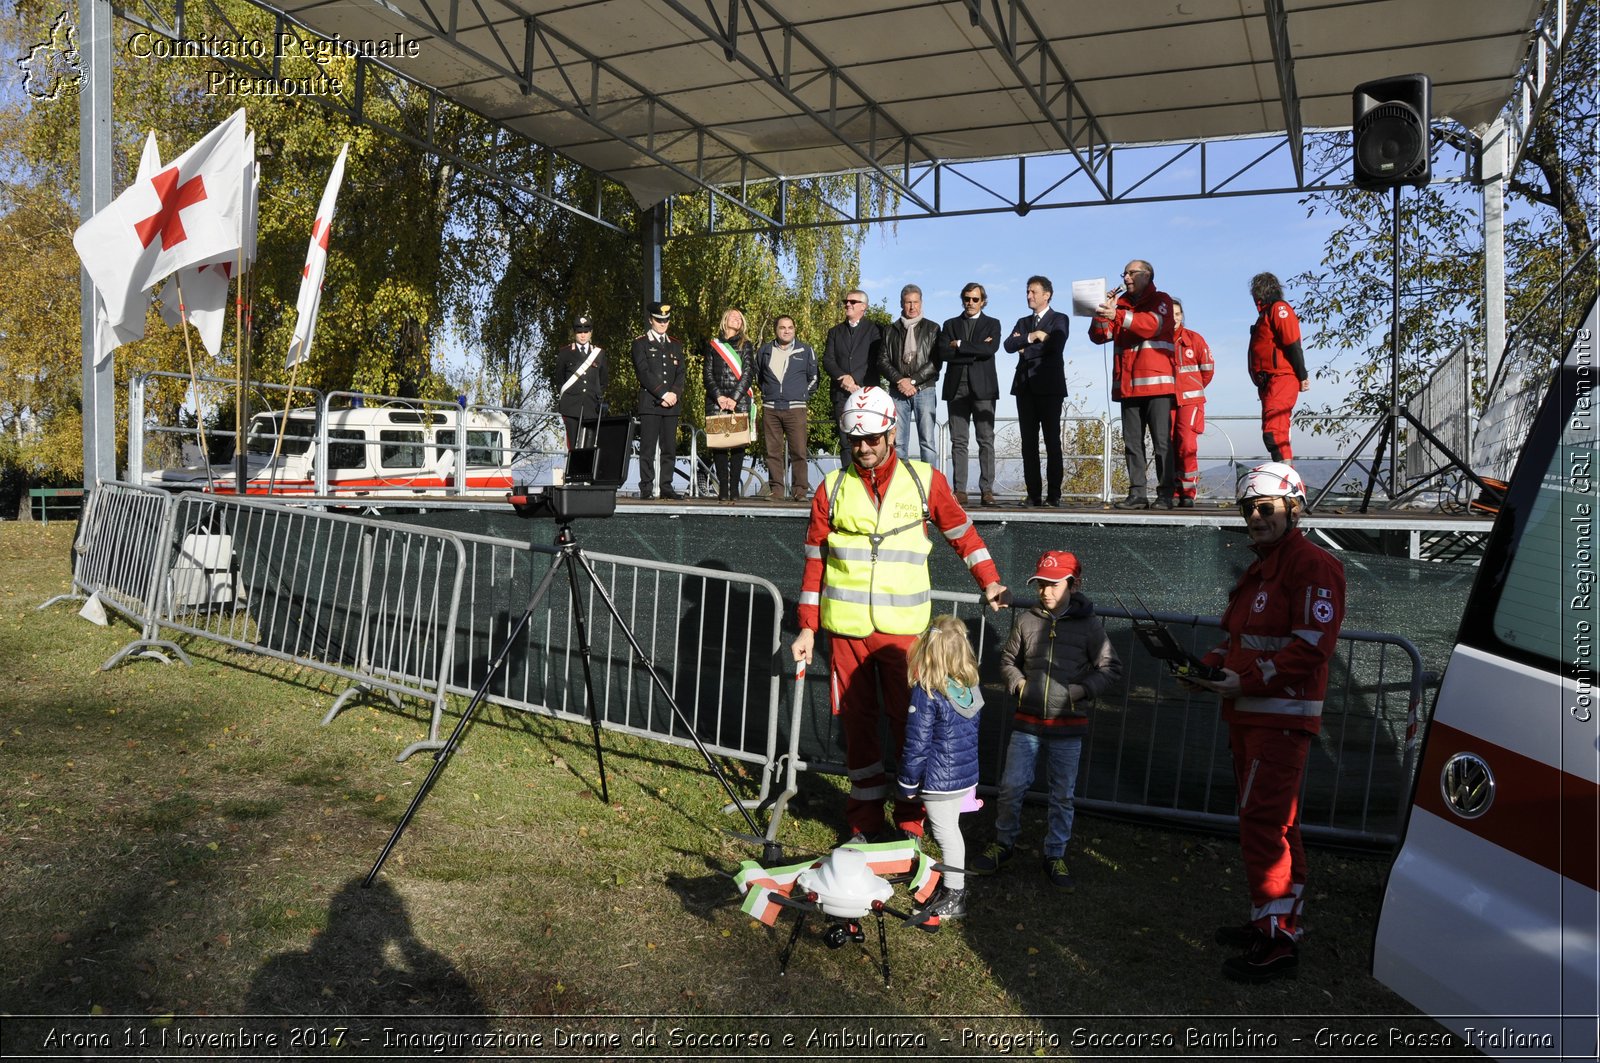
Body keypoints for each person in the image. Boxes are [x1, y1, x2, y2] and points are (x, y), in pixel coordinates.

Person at [791, 386, 1008, 843]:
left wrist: (988, 579)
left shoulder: (926, 480)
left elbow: (961, 532)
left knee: (913, 729)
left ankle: (910, 823)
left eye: (872, 438)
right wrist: (807, 629)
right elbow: (814, 561)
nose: (863, 448)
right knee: (858, 730)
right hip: (846, 636)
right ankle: (864, 825)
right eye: (855, 441)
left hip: (905, 638)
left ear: (892, 432)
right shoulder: (830, 488)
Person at [1186, 461, 1345, 984]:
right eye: (1248, 509)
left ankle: (1276, 939)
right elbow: (1238, 642)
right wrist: (1207, 668)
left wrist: (1247, 681)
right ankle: (1275, 923)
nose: (1255, 517)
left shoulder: (1311, 566)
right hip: (1250, 717)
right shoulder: (1261, 568)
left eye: (1265, 508)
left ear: (1293, 508)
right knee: (1277, 825)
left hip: (1279, 721)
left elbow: (1311, 648)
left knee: (1265, 828)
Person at [973, 550, 1121, 890]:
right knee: (1011, 788)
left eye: (1054, 584)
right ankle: (1003, 844)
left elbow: (1111, 668)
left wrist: (1079, 692)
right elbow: (1008, 661)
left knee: (1062, 795)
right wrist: (1020, 686)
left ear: (1073, 583)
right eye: (1041, 584)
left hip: (1068, 729)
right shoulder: (1026, 621)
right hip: (1026, 724)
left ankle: (1055, 854)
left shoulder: (1090, 627)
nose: (1046, 591)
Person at [895, 614, 984, 930]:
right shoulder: (969, 687)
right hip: (962, 776)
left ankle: (954, 895)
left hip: (938, 780)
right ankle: (953, 888)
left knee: (946, 834)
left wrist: (907, 782)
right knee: (952, 831)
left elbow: (916, 743)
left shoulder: (927, 692)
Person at [1091, 260, 1177, 509]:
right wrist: (1102, 312)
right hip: (1128, 387)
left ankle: (1165, 494)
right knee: (1132, 443)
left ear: (1147, 275)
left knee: (1162, 443)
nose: (1126, 277)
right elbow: (1099, 336)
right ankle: (1137, 494)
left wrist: (1117, 314)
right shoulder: (1120, 305)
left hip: (1157, 386)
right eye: (1124, 273)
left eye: (1131, 273)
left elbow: (1151, 326)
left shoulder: (1161, 300)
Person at [1003, 275, 1070, 507]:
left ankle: (1054, 495)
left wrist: (1025, 347)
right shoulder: (1023, 323)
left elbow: (1055, 346)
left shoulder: (1059, 319)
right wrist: (1033, 336)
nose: (1029, 296)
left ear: (1046, 294)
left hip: (1050, 389)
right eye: (1027, 292)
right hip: (1024, 389)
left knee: (1052, 442)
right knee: (1028, 444)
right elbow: (1008, 346)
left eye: (1033, 292)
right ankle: (1033, 495)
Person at [936, 283, 1002, 507]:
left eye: (975, 299)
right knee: (959, 441)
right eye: (967, 298)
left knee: (986, 440)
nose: (970, 303)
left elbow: (990, 350)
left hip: (983, 388)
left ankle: (987, 490)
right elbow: (944, 353)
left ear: (983, 301)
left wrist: (961, 345)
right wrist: (974, 350)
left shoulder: (993, 324)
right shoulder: (950, 324)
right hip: (957, 388)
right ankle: (960, 490)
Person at [753, 315, 819, 501]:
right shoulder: (765, 350)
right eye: (782, 327)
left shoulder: (805, 350)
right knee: (773, 452)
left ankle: (800, 492)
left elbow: (813, 377)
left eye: (790, 327)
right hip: (771, 408)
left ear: (794, 329)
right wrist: (768, 392)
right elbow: (759, 376)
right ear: (776, 330)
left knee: (799, 451)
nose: (787, 331)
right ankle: (777, 491)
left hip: (796, 408)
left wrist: (801, 395)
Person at [1248, 272, 1310, 464]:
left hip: (1281, 378)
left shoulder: (1278, 309)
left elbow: (1292, 344)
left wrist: (1302, 375)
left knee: (1274, 433)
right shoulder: (1265, 314)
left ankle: (1286, 481)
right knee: (1274, 432)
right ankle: (1284, 478)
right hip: (1269, 383)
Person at [877, 284, 940, 465]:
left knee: (927, 442)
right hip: (897, 392)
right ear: (901, 304)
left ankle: (929, 485)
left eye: (916, 302)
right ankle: (898, 484)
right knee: (897, 443)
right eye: (908, 302)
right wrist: (900, 381)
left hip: (925, 390)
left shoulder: (933, 328)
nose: (912, 307)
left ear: (921, 303)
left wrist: (912, 381)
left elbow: (936, 362)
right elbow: (882, 361)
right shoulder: (890, 330)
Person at [631, 301, 686, 500]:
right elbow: (643, 372)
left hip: (671, 404)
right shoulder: (640, 343)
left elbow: (681, 373)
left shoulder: (676, 344)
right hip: (651, 403)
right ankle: (646, 487)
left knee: (669, 449)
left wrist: (673, 395)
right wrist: (662, 393)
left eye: (666, 320)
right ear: (650, 320)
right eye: (658, 320)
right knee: (647, 448)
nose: (663, 324)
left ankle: (666, 487)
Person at [821, 289, 882, 466]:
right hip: (841, 394)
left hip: (867, 393)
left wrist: (854, 380)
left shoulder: (875, 330)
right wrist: (843, 378)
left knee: (869, 440)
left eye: (852, 302)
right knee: (847, 442)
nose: (847, 304)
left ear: (863, 306)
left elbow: (874, 359)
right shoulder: (835, 331)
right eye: (846, 301)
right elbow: (828, 359)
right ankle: (850, 482)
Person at [703, 308, 756, 503]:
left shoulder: (746, 345)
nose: (737, 320)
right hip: (716, 402)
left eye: (740, 318)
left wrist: (733, 398)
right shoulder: (713, 345)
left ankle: (734, 487)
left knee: (737, 445)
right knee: (719, 445)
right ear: (725, 320)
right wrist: (719, 397)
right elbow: (707, 374)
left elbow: (749, 373)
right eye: (733, 316)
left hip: (738, 400)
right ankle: (723, 487)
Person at [1170, 298, 1215, 508]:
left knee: (1187, 444)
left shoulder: (1195, 339)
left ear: (1182, 315)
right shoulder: (1158, 341)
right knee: (1168, 445)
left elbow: (1207, 370)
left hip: (1191, 401)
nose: (1174, 318)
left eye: (1177, 313)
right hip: (1167, 400)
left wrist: (1191, 388)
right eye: (1170, 314)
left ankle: (1188, 490)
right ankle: (1173, 490)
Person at [552, 315, 608, 451]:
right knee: (573, 447)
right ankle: (573, 472)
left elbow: (603, 381)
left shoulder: (599, 354)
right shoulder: (565, 353)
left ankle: (586, 473)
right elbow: (559, 379)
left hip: (591, 406)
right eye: (579, 332)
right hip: (571, 406)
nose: (583, 335)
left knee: (590, 447)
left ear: (591, 332)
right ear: (574, 332)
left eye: (586, 331)